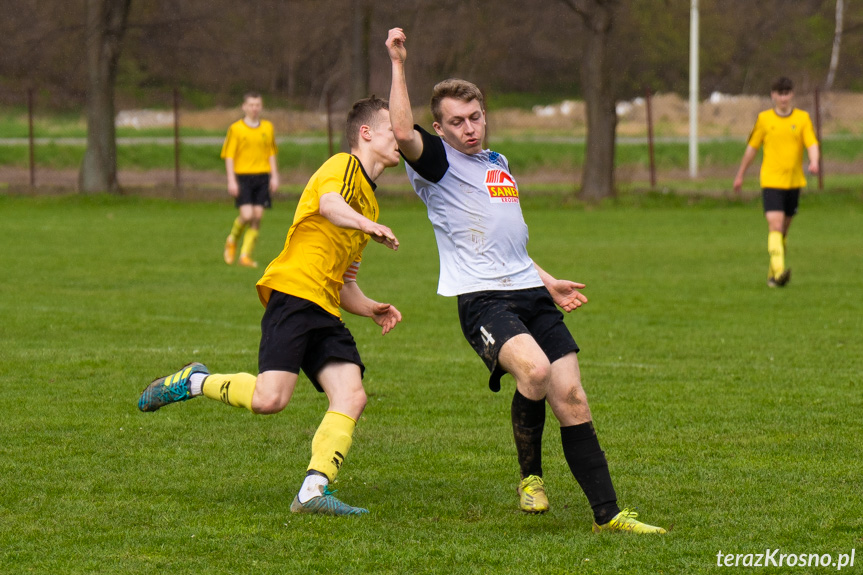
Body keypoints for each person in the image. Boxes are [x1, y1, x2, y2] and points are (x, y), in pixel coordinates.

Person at [385, 27, 665, 534]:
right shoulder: (437, 164)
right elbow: (402, 132)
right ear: (439, 128)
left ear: (484, 116)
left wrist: (548, 278)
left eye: (474, 118)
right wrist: (399, 63)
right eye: (456, 122)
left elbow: (506, 240)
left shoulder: (498, 164)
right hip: (483, 300)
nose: (469, 129)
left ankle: (609, 515)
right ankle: (530, 477)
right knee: (534, 373)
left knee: (573, 397)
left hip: (530, 291)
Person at [139, 96, 403, 516]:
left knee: (351, 395)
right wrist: (366, 225)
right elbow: (330, 206)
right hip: (295, 294)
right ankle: (193, 381)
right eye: (394, 129)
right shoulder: (342, 166)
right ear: (366, 133)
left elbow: (345, 281)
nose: (402, 138)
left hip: (325, 309)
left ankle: (312, 491)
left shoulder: (371, 202)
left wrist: (370, 306)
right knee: (269, 399)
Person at [733, 76, 820, 288]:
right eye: (779, 94)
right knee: (775, 225)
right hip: (771, 181)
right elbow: (752, 148)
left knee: (783, 232)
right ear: (773, 95)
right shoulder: (764, 120)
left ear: (792, 95)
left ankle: (773, 276)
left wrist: (814, 161)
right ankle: (780, 272)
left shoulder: (802, 119)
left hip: (793, 182)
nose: (783, 98)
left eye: (786, 93)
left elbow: (812, 143)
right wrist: (741, 174)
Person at [220, 92, 280, 268]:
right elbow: (229, 156)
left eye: (257, 105)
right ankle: (232, 240)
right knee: (247, 215)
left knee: (258, 217)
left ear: (261, 107)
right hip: (243, 177)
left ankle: (245, 256)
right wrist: (231, 180)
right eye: (251, 105)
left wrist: (274, 176)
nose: (254, 108)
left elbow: (271, 153)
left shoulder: (267, 127)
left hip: (262, 176)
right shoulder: (236, 129)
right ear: (244, 107)